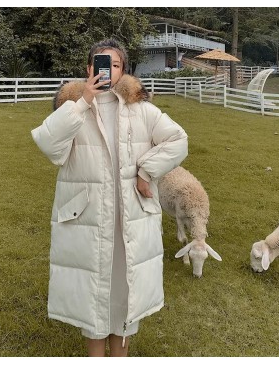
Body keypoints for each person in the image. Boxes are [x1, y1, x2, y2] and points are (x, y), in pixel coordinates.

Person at [31, 38, 188, 357]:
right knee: (94, 294)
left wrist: (146, 171)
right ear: (89, 69)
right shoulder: (73, 109)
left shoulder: (142, 109)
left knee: (125, 293)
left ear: (123, 71)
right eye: (100, 64)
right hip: (89, 220)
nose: (108, 70)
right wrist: (82, 101)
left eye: (115, 64)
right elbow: (49, 145)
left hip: (130, 218)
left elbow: (178, 140)